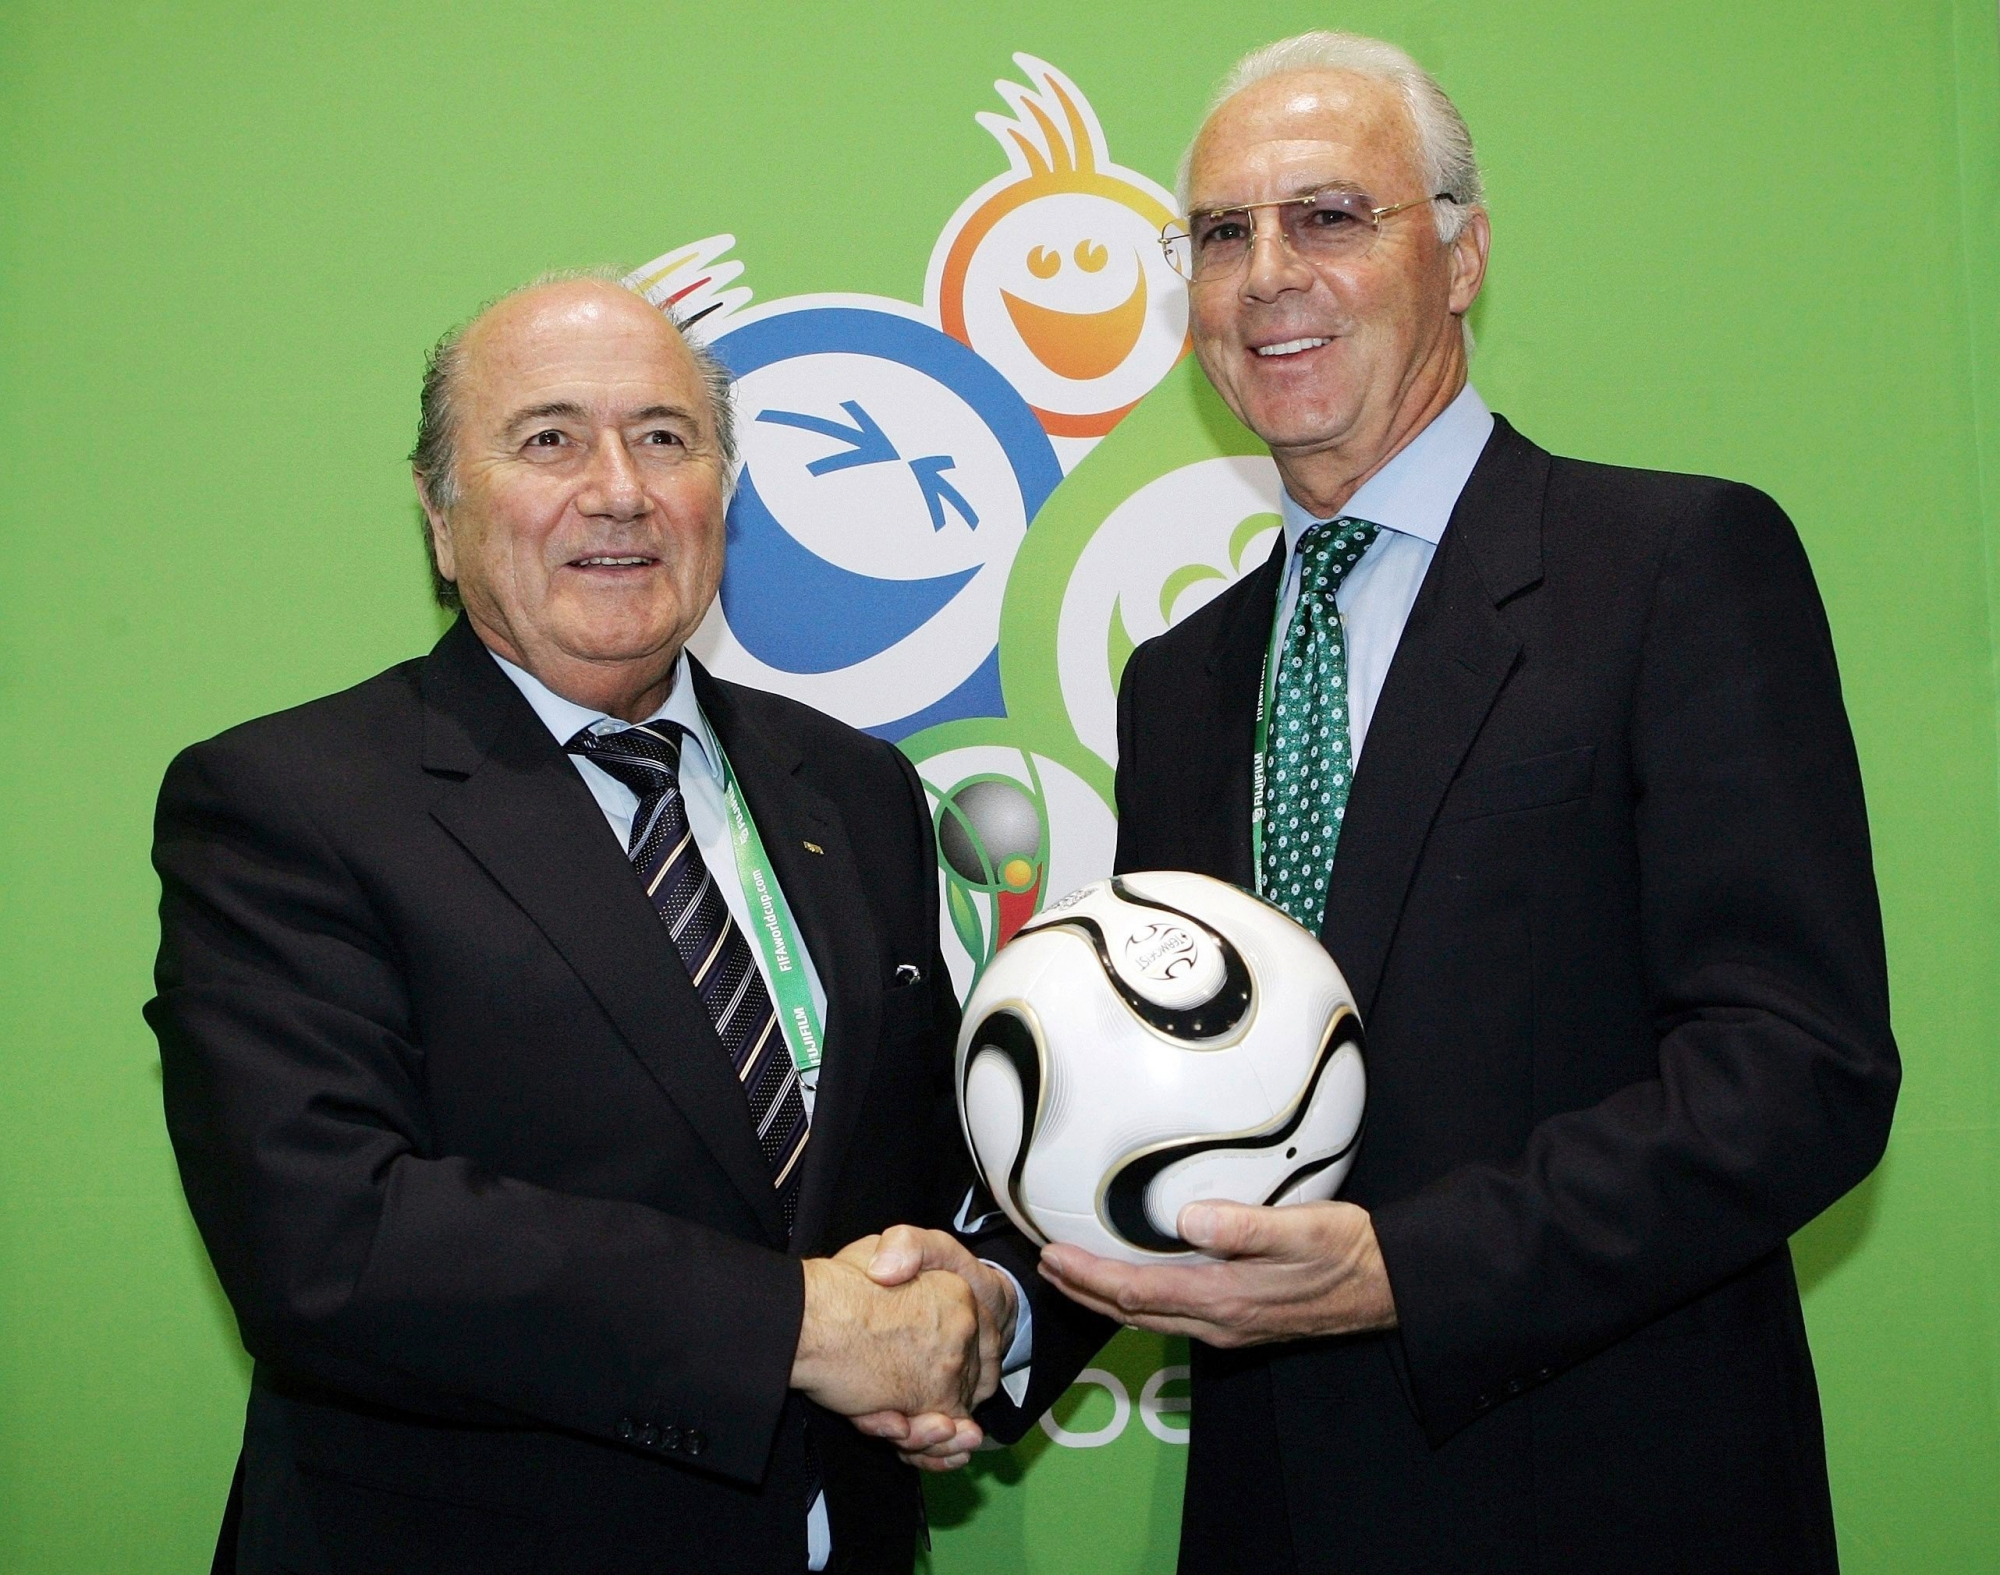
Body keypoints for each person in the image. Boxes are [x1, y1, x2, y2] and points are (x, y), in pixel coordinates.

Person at [1026, 30, 1900, 1574]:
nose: (1266, 274)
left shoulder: (1675, 570)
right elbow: (1160, 1100)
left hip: (1609, 1502)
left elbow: (1799, 1071)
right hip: (1276, 1515)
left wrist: (1408, 1271)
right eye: (1222, 234)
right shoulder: (1177, 679)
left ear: (1465, 252)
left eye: (1329, 216)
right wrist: (974, 1324)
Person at [146, 274, 1100, 1574]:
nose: (619, 489)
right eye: (549, 438)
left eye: (666, 438)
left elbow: (931, 1164)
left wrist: (988, 1309)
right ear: (439, 510)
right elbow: (327, 1242)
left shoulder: (854, 792)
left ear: (723, 493)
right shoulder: (290, 804)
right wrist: (796, 1328)